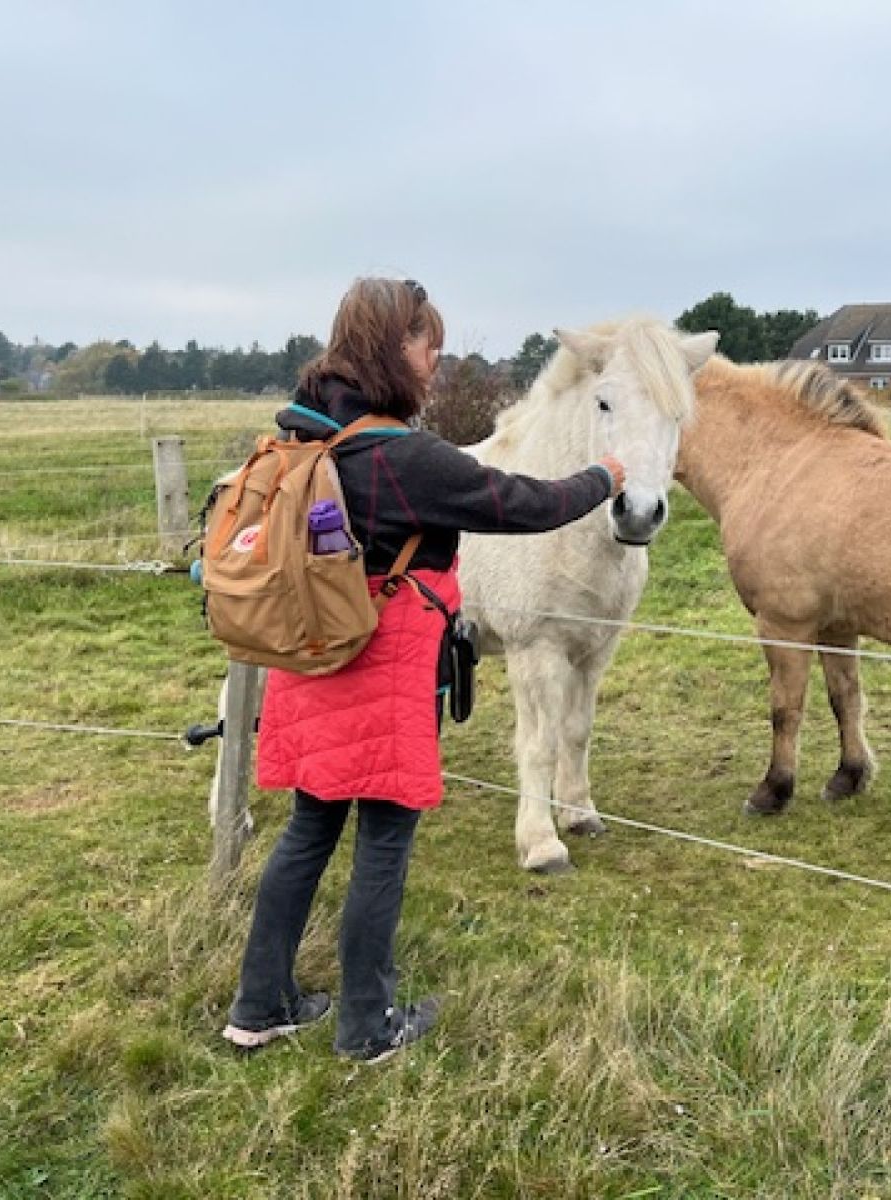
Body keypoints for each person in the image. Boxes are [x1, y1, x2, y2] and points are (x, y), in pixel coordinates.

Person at [222, 277, 625, 1063]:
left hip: (311, 660)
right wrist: (607, 476)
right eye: (422, 341)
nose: (435, 357)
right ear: (384, 347)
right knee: (384, 839)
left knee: (308, 831)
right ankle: (368, 1025)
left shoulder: (308, 438)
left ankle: (259, 1005)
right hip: (382, 668)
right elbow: (526, 504)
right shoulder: (404, 458)